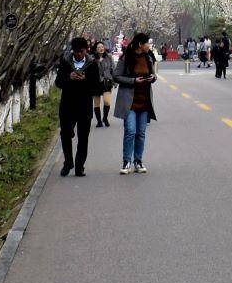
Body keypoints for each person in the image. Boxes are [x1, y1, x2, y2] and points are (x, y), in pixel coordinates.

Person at [55, 36, 106, 177]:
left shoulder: (92, 64)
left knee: (83, 138)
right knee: (65, 134)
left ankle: (79, 166)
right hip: (67, 105)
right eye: (76, 51)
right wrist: (69, 77)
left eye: (81, 51)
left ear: (86, 50)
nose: (78, 54)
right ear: (72, 51)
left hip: (84, 106)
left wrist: (85, 79)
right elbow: (58, 82)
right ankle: (68, 162)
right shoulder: (65, 62)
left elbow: (96, 87)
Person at [114, 30, 159, 174]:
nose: (149, 46)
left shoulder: (148, 57)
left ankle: (138, 161)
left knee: (141, 133)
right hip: (130, 101)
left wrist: (152, 78)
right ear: (140, 44)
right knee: (130, 132)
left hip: (144, 100)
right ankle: (126, 162)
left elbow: (153, 74)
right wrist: (133, 81)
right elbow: (116, 76)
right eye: (147, 43)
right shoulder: (126, 58)